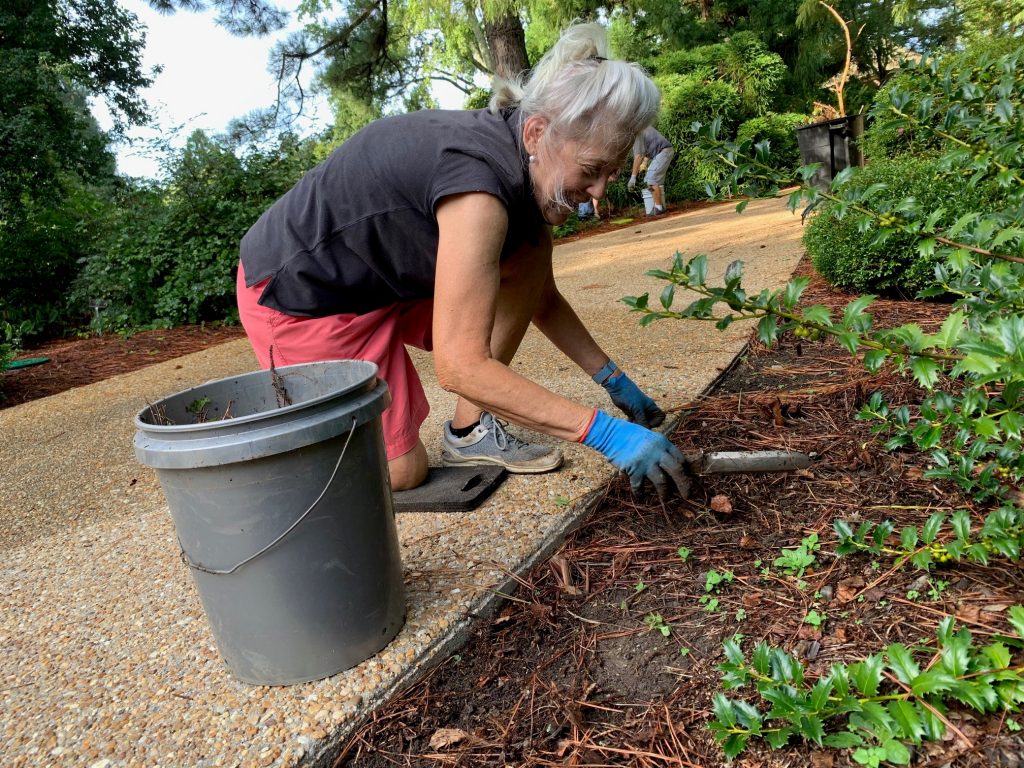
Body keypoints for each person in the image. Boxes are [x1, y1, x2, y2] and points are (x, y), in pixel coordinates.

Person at [236, 23, 689, 498]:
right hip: (304, 296)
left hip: (383, 281)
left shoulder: (525, 168)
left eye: (611, 174)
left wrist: (613, 380)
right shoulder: (477, 191)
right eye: (592, 171)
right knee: (402, 473)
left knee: (532, 249)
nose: (597, 192)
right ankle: (270, 452)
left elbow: (541, 298)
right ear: (537, 133)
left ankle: (470, 430)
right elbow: (460, 367)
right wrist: (605, 434)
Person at [627, 126, 674, 215]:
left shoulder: (637, 133)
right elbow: (649, 148)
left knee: (651, 180)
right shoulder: (642, 128)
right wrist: (644, 163)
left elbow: (638, 156)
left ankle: (659, 208)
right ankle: (659, 205)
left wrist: (633, 178)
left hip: (663, 152)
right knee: (651, 181)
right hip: (663, 152)